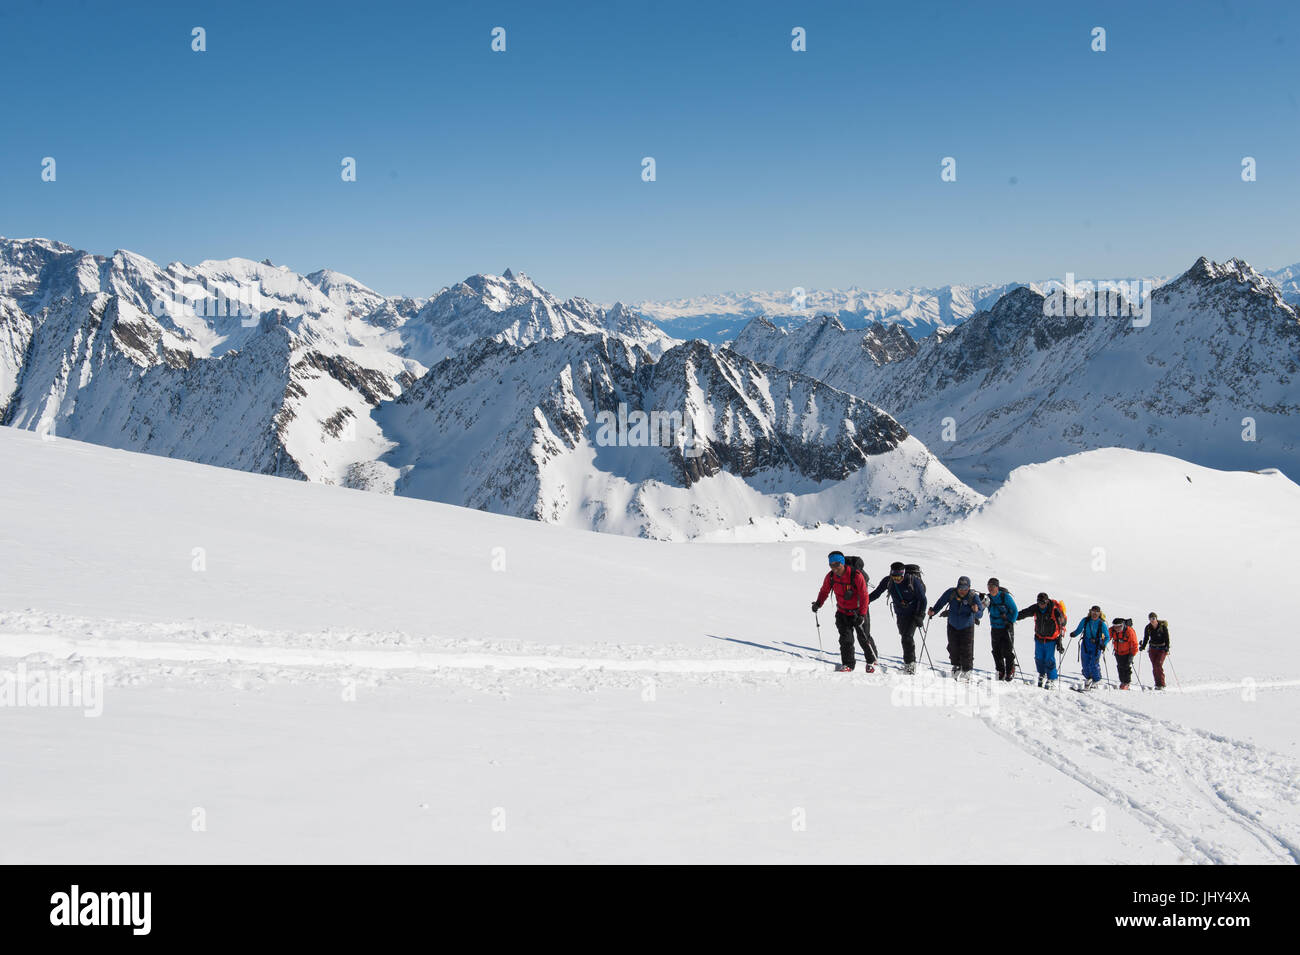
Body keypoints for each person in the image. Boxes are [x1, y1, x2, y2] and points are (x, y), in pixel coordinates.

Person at [812, 551, 874, 672]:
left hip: (858, 612)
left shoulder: (856, 575)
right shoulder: (830, 576)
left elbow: (864, 596)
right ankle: (848, 665)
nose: (834, 568)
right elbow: (824, 591)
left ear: (843, 563)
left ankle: (871, 661)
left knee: (864, 638)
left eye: (837, 564)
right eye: (831, 565)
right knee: (846, 640)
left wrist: (862, 614)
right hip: (842, 612)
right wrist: (818, 603)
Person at [868, 561, 927, 674]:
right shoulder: (888, 581)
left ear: (903, 574)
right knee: (904, 636)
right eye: (894, 576)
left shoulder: (912, 580)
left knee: (907, 637)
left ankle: (910, 665)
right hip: (900, 613)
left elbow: (923, 599)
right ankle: (910, 662)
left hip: (914, 614)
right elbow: (876, 593)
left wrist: (921, 615)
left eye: (899, 577)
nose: (896, 579)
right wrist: (863, 602)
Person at [927, 576, 984, 679]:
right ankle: (956, 666)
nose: (962, 591)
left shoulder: (973, 597)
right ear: (957, 587)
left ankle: (967, 670)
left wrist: (976, 611)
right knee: (953, 647)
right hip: (952, 625)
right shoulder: (951, 593)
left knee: (966, 649)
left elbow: (980, 614)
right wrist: (933, 611)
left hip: (967, 626)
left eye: (965, 589)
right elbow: (941, 603)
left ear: (969, 588)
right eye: (960, 588)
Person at [1017, 593, 1067, 688]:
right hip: (1039, 638)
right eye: (1039, 602)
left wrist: (1059, 643)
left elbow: (1061, 625)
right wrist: (1013, 618)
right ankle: (1042, 674)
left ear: (1047, 601)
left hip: (1051, 640)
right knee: (1038, 658)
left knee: (1049, 659)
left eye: (1043, 602)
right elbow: (1024, 613)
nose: (1041, 604)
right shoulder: (1036, 608)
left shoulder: (1054, 610)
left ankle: (1051, 678)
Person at [983, 578, 1019, 681]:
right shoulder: (988, 598)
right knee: (996, 651)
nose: (990, 589)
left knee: (1007, 651)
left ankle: (1010, 671)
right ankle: (1000, 672)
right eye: (989, 586)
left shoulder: (1005, 597)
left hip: (1006, 627)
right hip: (995, 628)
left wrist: (1010, 622)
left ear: (997, 587)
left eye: (992, 586)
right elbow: (981, 608)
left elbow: (1015, 611)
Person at [1070, 605, 1111, 689]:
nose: (1094, 614)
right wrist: (1074, 633)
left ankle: (1097, 680)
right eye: (1093, 612)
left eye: (1096, 612)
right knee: (1085, 663)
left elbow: (1107, 637)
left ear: (1099, 613)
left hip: (1097, 645)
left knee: (1094, 663)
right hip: (1086, 643)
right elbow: (1079, 629)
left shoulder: (1101, 623)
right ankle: (1089, 678)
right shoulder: (1085, 620)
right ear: (1090, 612)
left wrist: (1103, 644)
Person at [1140, 613, 1171, 690]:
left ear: (1156, 618)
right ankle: (1157, 684)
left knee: (1158, 664)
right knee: (1154, 666)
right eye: (1150, 619)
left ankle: (1162, 684)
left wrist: (1167, 647)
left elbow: (1167, 638)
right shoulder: (1148, 628)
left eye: (1153, 618)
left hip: (1162, 649)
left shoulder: (1162, 627)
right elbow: (1146, 638)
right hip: (1152, 649)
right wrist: (1143, 646)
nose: (1152, 620)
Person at [1110, 617, 1139, 689]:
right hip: (1118, 652)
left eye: (1118, 626)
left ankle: (1126, 683)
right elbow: (1107, 637)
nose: (1116, 628)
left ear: (1122, 625)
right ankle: (1122, 681)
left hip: (1128, 653)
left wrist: (1132, 655)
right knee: (1120, 667)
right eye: (1115, 626)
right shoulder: (1112, 630)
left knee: (1126, 667)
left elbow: (1135, 644)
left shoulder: (1129, 631)